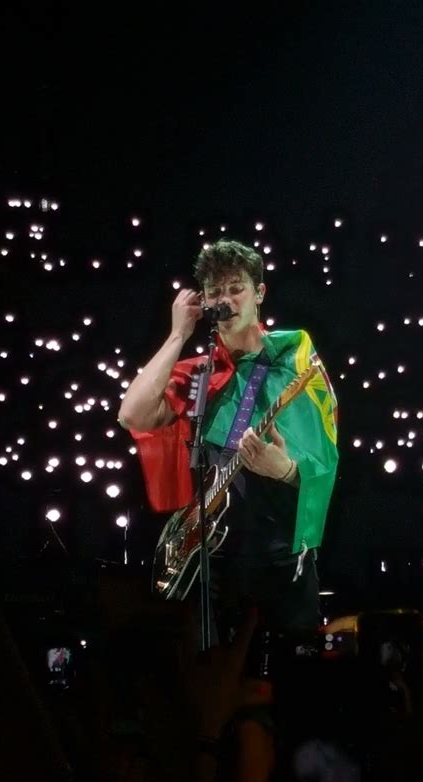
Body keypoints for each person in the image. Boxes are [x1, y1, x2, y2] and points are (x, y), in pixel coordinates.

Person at [118, 238, 339, 644]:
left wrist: (287, 470)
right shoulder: (200, 373)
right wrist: (176, 336)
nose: (226, 299)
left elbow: (326, 459)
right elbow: (132, 414)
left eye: (236, 287)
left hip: (279, 561)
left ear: (259, 293)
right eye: (215, 291)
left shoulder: (295, 362)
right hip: (213, 568)